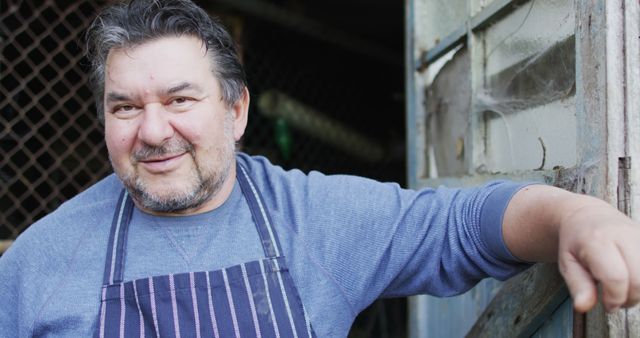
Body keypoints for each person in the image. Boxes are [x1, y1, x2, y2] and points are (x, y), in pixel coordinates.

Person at [0, 0, 638, 337]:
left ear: (236, 108)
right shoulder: (36, 264)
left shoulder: (310, 220)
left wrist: (574, 216)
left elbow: (461, 226)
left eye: (179, 99)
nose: (154, 130)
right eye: (125, 107)